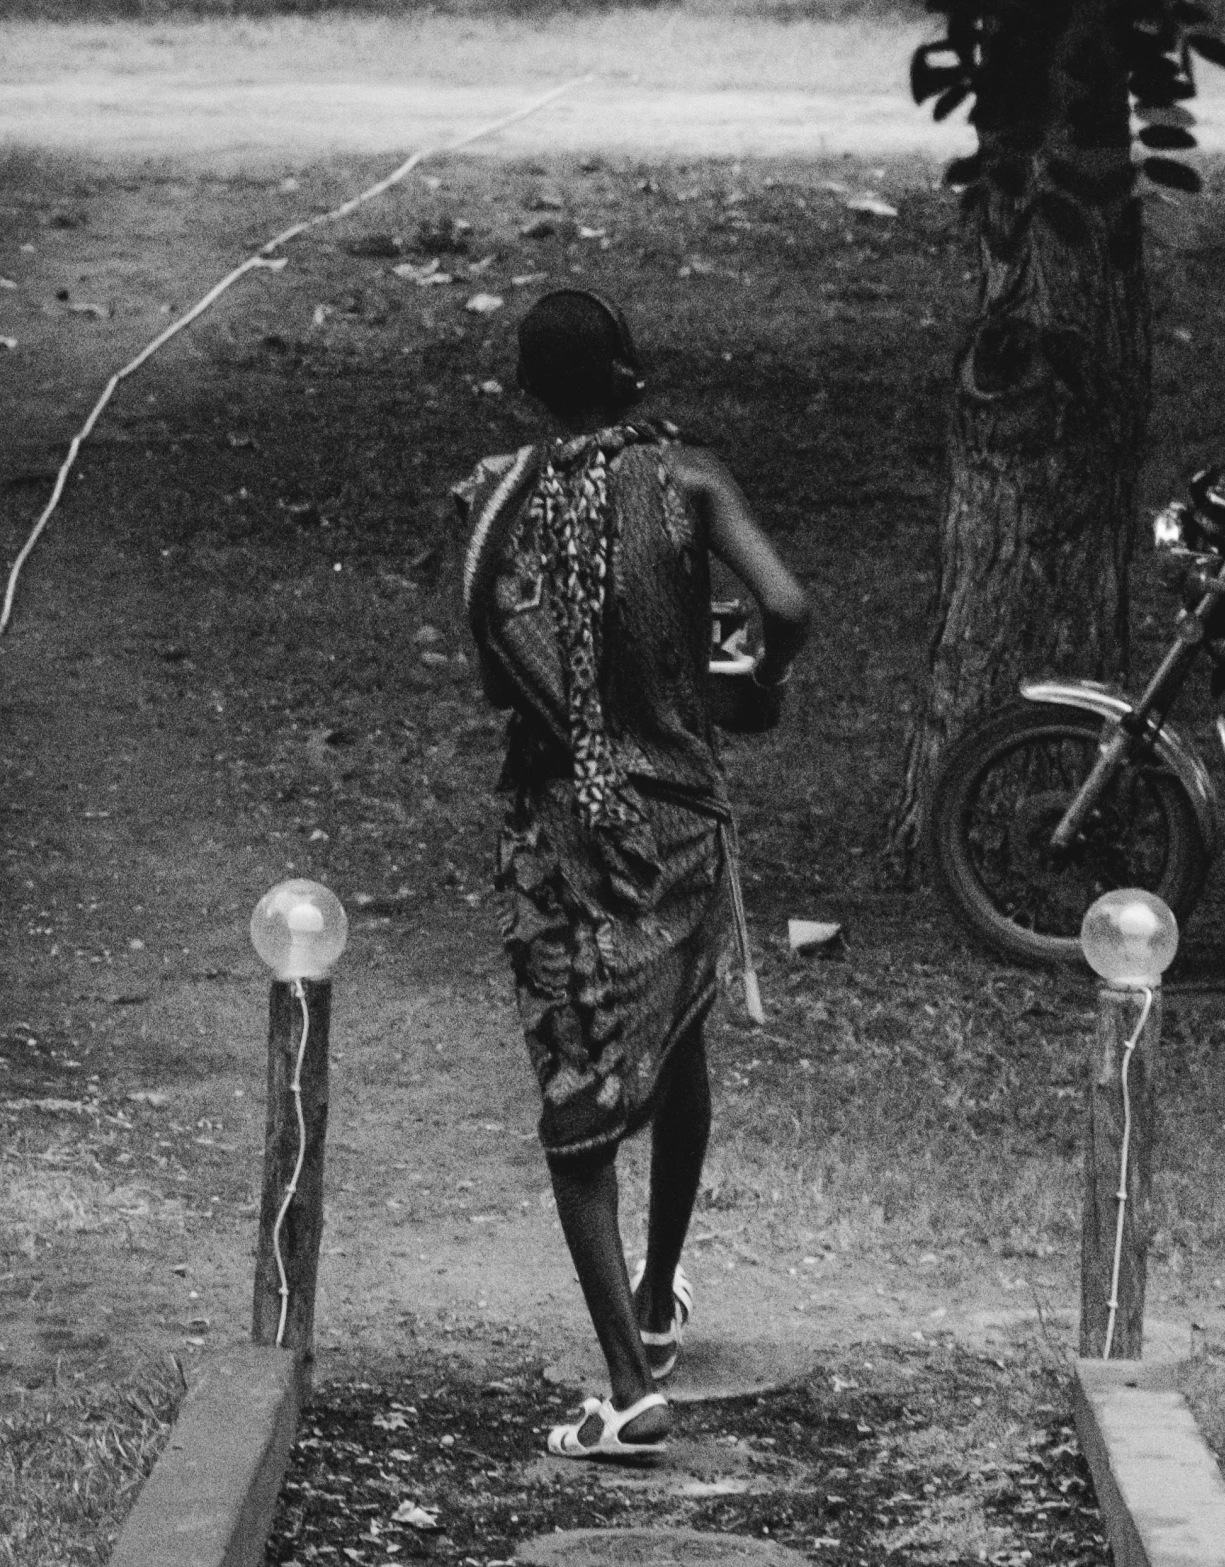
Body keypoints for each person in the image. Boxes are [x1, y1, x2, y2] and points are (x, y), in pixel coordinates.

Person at [451, 289, 809, 1461]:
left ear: (524, 392)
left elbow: (510, 663)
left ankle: (624, 1384)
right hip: (682, 821)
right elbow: (787, 605)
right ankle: (656, 1302)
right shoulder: (690, 483)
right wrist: (749, 674)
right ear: (631, 377)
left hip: (567, 835)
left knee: (579, 1105)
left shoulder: (498, 505)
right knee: (683, 1035)